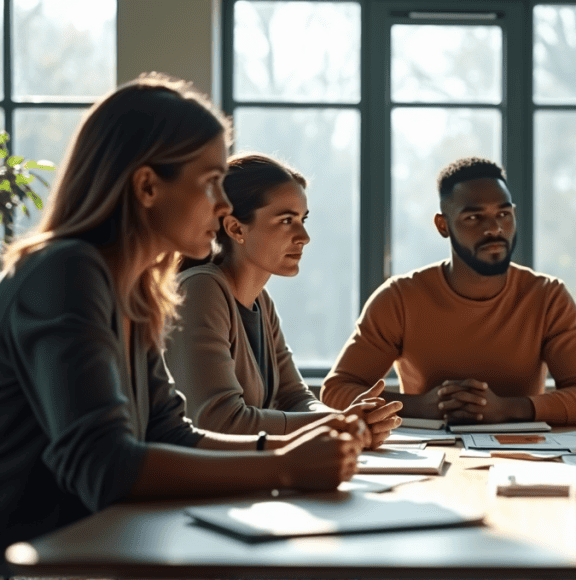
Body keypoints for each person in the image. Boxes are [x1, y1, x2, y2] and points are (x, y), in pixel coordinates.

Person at [0, 74, 367, 572]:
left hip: (106, 545)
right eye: (211, 181)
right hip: (46, 562)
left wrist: (294, 446)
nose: (223, 204)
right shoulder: (67, 271)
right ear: (148, 186)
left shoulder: (136, 288)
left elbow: (170, 432)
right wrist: (282, 466)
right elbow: (104, 465)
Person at [321, 157, 576, 426]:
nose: (494, 228)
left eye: (503, 214)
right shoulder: (400, 298)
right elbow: (336, 391)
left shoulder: (547, 297)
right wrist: (422, 406)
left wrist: (507, 409)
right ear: (443, 225)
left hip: (522, 455)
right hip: (428, 455)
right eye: (474, 218)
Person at [165, 153, 402, 448]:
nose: (304, 236)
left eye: (303, 219)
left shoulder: (260, 301)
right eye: (286, 220)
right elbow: (221, 421)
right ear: (236, 228)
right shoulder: (201, 289)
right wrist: (338, 423)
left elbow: (295, 398)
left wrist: (350, 423)